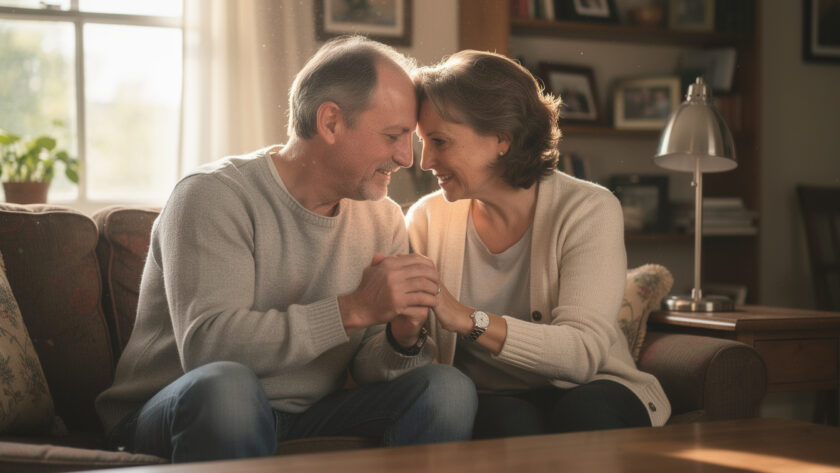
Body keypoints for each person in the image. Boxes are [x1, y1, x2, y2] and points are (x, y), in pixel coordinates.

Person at [95, 36, 477, 463]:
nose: (407, 158)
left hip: (309, 413)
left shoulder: (382, 217)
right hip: (174, 409)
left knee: (446, 389)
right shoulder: (212, 196)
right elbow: (208, 350)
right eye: (393, 136)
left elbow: (370, 369)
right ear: (330, 122)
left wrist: (401, 336)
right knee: (228, 391)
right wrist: (352, 308)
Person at [406, 50, 670, 439]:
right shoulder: (426, 219)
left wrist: (467, 318)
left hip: (595, 387)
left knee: (584, 414)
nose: (425, 161)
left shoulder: (588, 209)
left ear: (502, 138)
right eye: (422, 142)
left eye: (440, 141)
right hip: (495, 396)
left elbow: (582, 355)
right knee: (508, 424)